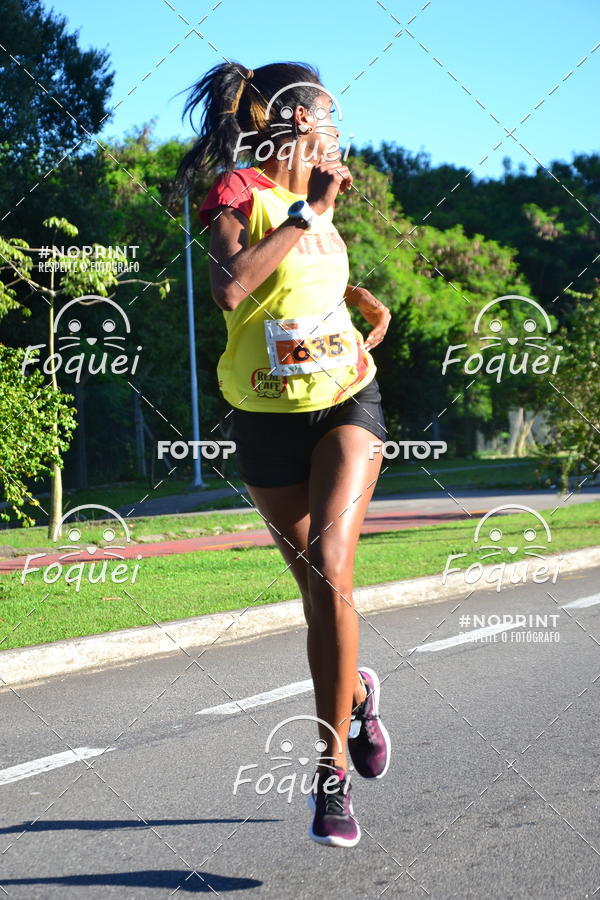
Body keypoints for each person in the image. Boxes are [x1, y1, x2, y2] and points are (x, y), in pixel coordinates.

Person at [176, 61, 392, 848]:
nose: (338, 132)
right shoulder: (241, 193)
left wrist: (361, 302)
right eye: (330, 118)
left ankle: (329, 776)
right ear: (299, 121)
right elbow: (235, 289)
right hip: (264, 416)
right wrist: (308, 215)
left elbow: (305, 293)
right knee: (315, 592)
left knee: (334, 572)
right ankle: (358, 695)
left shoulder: (324, 204)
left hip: (347, 400)